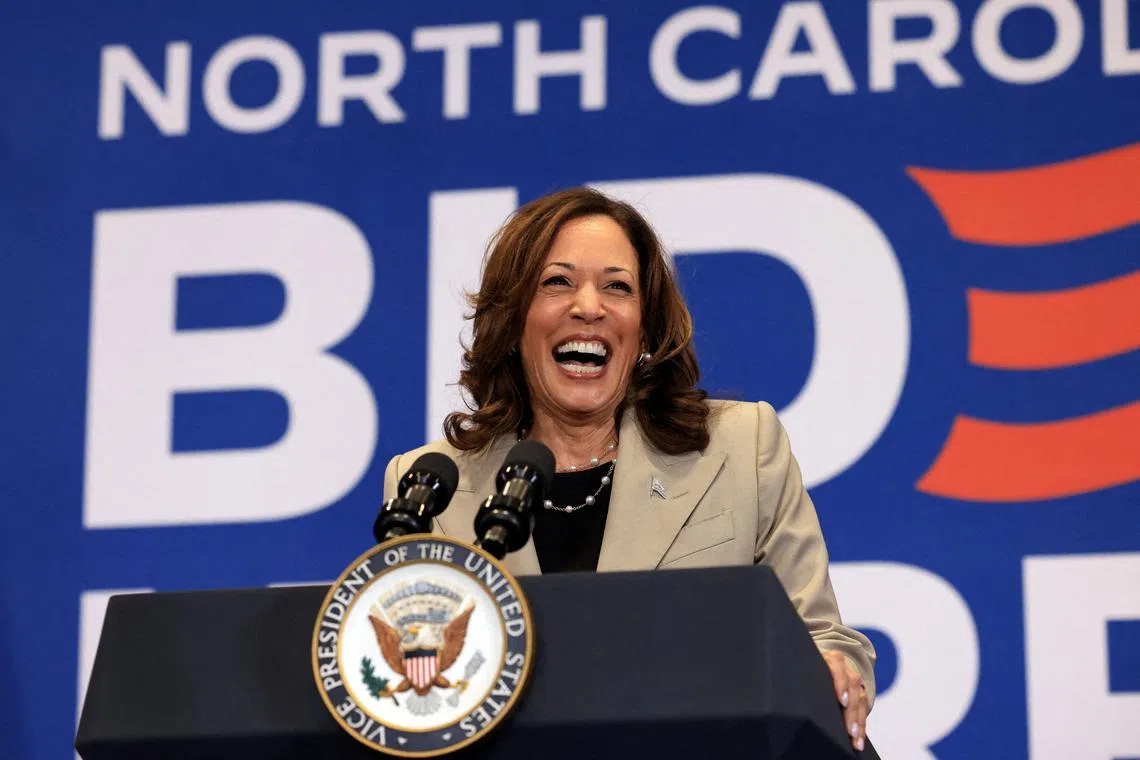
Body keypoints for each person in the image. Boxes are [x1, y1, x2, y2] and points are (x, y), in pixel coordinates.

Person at [383, 187, 875, 750]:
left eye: (617, 287)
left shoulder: (740, 447)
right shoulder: (429, 485)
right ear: (514, 322)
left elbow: (822, 638)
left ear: (644, 330)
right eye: (557, 282)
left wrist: (835, 669)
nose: (588, 306)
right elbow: (411, 688)